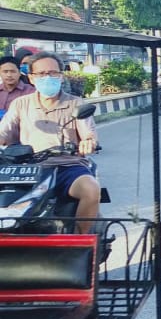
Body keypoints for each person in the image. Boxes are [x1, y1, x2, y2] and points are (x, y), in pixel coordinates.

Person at [0, 52, 100, 235]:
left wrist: (88, 142)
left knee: (91, 190)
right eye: (41, 73)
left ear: (61, 75)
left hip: (68, 167)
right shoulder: (20, 104)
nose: (48, 77)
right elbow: (4, 131)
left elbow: (89, 134)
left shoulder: (76, 103)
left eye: (53, 73)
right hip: (29, 169)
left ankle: (79, 240)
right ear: (31, 77)